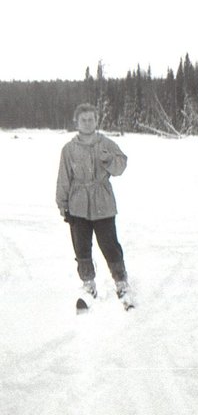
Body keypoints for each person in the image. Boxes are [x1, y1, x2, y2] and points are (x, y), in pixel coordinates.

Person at [56, 103, 131, 303]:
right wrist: (63, 203)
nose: (88, 123)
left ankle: (121, 281)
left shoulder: (106, 143)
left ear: (96, 121)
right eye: (84, 120)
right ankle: (88, 283)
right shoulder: (69, 149)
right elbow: (63, 178)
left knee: (109, 244)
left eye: (91, 119)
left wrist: (108, 160)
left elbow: (121, 167)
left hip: (103, 203)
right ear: (77, 122)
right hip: (78, 204)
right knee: (81, 247)